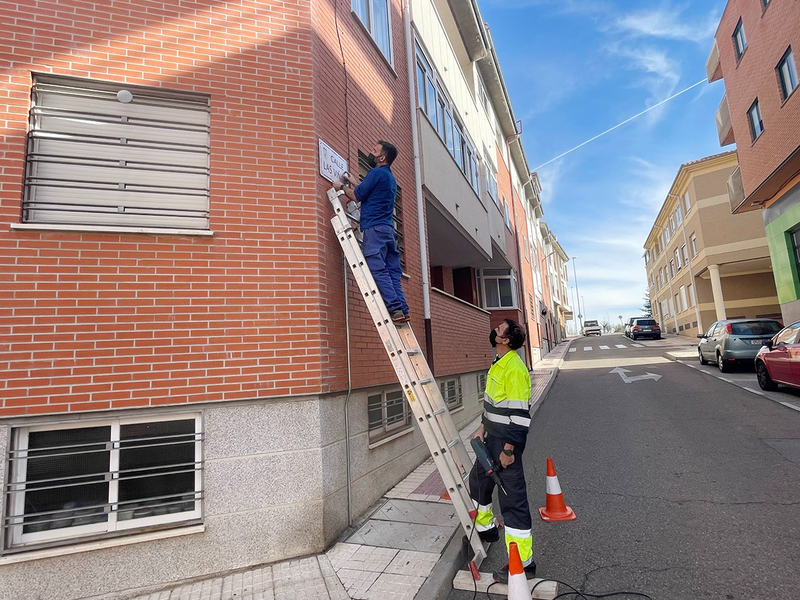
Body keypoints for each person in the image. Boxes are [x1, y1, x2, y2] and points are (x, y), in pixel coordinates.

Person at [469, 318, 535, 584]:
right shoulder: (499, 362)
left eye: (499, 329)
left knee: (512, 501)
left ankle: (523, 564)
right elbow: (493, 404)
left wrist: (509, 450)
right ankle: (486, 530)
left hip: (505, 443)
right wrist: (482, 427)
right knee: (478, 482)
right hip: (491, 439)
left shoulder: (515, 369)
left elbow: (519, 416)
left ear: (506, 340)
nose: (494, 330)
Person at [334, 141, 409, 323]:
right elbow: (369, 193)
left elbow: (357, 196)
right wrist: (354, 182)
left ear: (382, 157)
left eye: (374, 151)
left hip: (374, 230)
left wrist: (341, 187)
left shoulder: (375, 173)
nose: (370, 152)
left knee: (378, 269)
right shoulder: (389, 178)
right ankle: (403, 309)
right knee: (392, 273)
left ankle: (394, 309)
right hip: (388, 231)